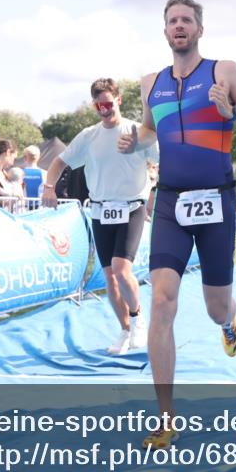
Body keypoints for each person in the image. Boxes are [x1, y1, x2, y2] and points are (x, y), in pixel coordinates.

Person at [117, 0, 236, 449]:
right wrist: (136, 142)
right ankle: (166, 418)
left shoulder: (223, 72)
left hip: (216, 201)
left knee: (215, 308)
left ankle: (229, 323)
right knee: (162, 303)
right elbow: (150, 129)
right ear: (164, 31)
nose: (179, 26)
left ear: (199, 29)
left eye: (187, 20)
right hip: (169, 202)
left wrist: (233, 114)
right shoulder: (150, 83)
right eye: (172, 20)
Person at [46, 77, 159, 355]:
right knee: (109, 278)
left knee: (122, 270)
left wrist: (156, 192)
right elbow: (60, 161)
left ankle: (138, 318)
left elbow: (162, 161)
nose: (104, 109)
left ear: (118, 100)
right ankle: (124, 330)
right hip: (100, 210)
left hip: (131, 207)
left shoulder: (137, 130)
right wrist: (49, 186)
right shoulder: (89, 136)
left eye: (108, 103)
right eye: (99, 106)